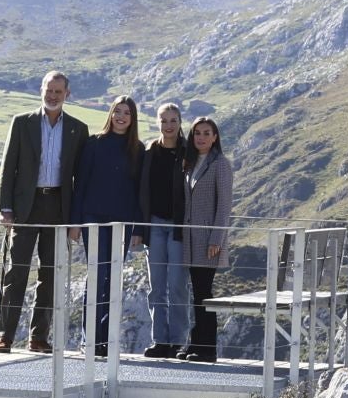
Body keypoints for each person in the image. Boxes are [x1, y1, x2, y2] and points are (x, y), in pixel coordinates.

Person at [0, 70, 89, 353]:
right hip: (26, 207)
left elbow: (80, 181)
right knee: (16, 273)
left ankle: (38, 338)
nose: (52, 95)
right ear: (41, 90)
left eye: (58, 92)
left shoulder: (78, 129)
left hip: (58, 207)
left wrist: (76, 221)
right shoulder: (21, 123)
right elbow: (7, 167)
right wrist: (6, 209)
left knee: (50, 275)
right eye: (49, 90)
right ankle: (5, 336)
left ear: (67, 95)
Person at [72, 94, 146, 356]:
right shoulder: (93, 144)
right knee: (96, 278)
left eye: (126, 113)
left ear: (132, 118)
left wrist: (138, 228)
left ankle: (105, 341)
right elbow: (79, 184)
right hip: (93, 220)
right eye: (117, 111)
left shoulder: (138, 149)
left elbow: (141, 193)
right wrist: (75, 223)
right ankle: (88, 339)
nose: (121, 117)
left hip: (122, 225)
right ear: (110, 114)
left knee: (112, 281)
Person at [138, 102, 190, 358]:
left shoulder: (189, 152)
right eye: (164, 120)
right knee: (156, 286)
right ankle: (160, 340)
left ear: (180, 122)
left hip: (180, 228)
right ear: (157, 122)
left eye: (173, 120)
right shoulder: (148, 151)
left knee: (178, 285)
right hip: (155, 225)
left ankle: (179, 341)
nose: (169, 125)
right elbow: (140, 192)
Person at [181, 115, 232, 362]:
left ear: (215, 137)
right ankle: (195, 344)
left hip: (208, 241)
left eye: (206, 133)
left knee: (204, 293)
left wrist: (216, 240)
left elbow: (223, 206)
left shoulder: (220, 164)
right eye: (197, 133)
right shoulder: (191, 163)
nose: (201, 137)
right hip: (191, 240)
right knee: (197, 292)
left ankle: (207, 349)